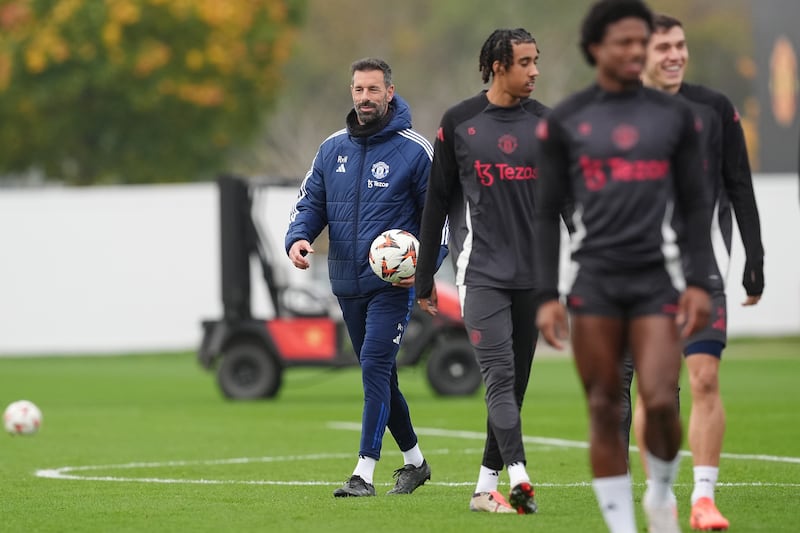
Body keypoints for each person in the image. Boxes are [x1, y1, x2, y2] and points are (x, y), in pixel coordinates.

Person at [533, 1, 715, 531]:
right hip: (594, 284)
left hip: (657, 281)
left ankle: (661, 491)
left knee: (659, 400)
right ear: (596, 49)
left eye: (643, 42)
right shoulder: (566, 121)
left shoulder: (676, 117)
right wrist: (547, 294)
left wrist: (701, 281)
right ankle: (622, 526)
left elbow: (696, 205)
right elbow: (546, 215)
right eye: (625, 42)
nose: (637, 51)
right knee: (601, 408)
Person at [618, 14, 766, 531]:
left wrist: (755, 260)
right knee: (657, 391)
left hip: (704, 269)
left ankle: (703, 498)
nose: (676, 55)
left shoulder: (715, 108)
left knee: (704, 380)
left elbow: (739, 185)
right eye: (664, 48)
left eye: (681, 45)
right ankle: (660, 492)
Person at [285, 57, 439, 498]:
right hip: (345, 281)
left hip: (393, 285)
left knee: (373, 365)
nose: (365, 98)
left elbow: (439, 217)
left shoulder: (415, 149)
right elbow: (310, 202)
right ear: (351, 92)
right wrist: (298, 239)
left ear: (390, 92)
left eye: (373, 89)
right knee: (381, 376)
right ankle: (416, 463)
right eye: (358, 90)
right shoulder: (332, 148)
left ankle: (363, 472)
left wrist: (425, 268)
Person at [414, 28, 548, 515]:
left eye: (537, 61)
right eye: (526, 62)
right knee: (499, 377)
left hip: (536, 277)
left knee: (515, 386)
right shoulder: (459, 122)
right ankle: (520, 478)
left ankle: (482, 489)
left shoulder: (548, 125)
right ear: (498, 66)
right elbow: (435, 203)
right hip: (481, 274)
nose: (535, 70)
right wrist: (426, 274)